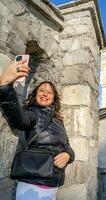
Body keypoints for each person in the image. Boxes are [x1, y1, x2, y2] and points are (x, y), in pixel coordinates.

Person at [0, 60, 75, 200]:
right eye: (41, 91)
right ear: (35, 95)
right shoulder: (32, 113)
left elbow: (67, 146)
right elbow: (18, 118)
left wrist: (68, 155)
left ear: (54, 99)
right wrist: (4, 86)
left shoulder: (58, 120)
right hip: (32, 183)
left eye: (49, 92)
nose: (45, 94)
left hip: (54, 182)